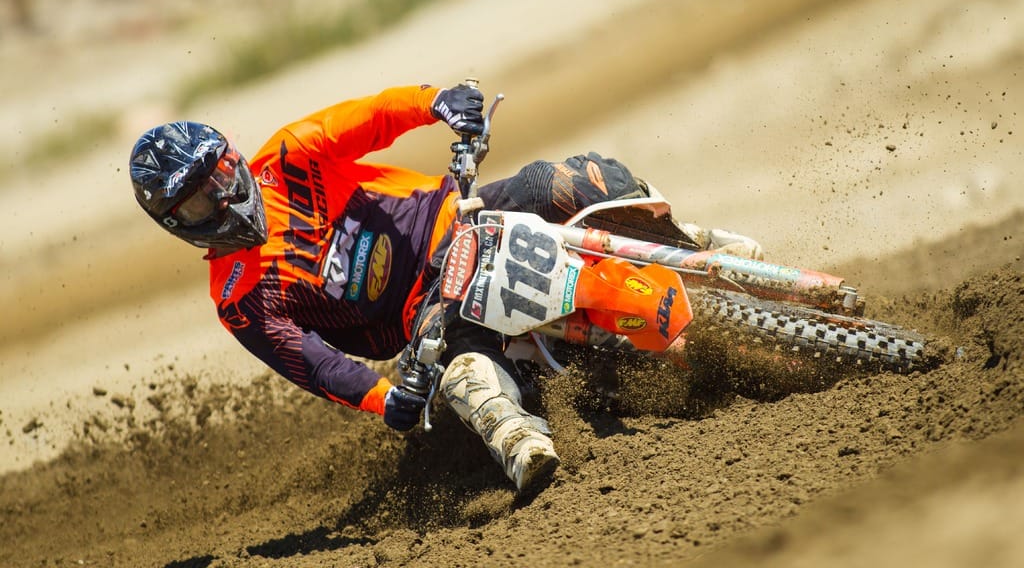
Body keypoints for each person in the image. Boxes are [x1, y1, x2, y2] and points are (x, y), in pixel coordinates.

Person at [129, 82, 761, 491]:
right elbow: (315, 364)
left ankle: (693, 249)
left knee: (570, 181)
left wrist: (438, 102)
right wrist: (386, 401)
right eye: (199, 201)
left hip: (458, 213)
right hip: (425, 311)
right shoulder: (241, 297)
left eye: (220, 175)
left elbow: (372, 117)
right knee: (465, 376)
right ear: (177, 223)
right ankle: (521, 445)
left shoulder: (290, 157)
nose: (222, 198)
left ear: (233, 158)